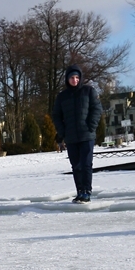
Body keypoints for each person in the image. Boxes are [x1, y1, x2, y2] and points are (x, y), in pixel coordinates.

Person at [52, 64, 102, 204]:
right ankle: (80, 191)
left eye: (77, 77)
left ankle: (87, 191)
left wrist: (91, 126)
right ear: (67, 79)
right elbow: (56, 115)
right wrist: (63, 132)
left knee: (86, 164)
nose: (74, 80)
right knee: (76, 166)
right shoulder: (62, 97)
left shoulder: (88, 91)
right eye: (72, 78)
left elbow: (97, 109)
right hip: (71, 137)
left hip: (86, 135)